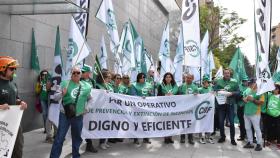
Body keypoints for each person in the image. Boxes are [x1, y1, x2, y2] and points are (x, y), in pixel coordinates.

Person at [50, 66, 92, 158]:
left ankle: (76, 156)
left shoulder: (86, 86)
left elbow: (90, 99)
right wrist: (62, 94)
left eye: (78, 73)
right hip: (65, 115)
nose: (76, 74)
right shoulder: (65, 83)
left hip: (78, 116)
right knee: (60, 138)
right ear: (71, 74)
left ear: (81, 74)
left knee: (77, 138)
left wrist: (87, 108)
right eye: (74, 73)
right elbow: (55, 97)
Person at [0, 56, 28, 158]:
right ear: (3, 69)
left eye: (14, 69)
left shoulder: (13, 84)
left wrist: (21, 102)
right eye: (11, 69)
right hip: (2, 126)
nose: (14, 71)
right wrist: (0, 107)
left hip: (15, 124)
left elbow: (16, 99)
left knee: (18, 149)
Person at [214, 68, 239, 145]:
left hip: (230, 104)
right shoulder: (219, 81)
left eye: (228, 73)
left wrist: (231, 93)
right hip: (221, 105)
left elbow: (239, 92)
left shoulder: (234, 82)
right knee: (221, 122)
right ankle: (222, 137)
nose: (227, 74)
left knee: (231, 123)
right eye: (225, 73)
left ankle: (232, 139)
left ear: (230, 74)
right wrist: (219, 90)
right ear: (223, 74)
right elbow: (214, 89)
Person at [131, 72, 153, 144]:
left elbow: (152, 95)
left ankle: (146, 138)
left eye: (144, 77)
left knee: (146, 122)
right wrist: (140, 98)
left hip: (146, 107)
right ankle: (136, 138)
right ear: (138, 78)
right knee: (136, 122)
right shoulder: (134, 85)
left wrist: (150, 93)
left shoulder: (149, 85)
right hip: (137, 107)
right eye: (141, 77)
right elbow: (133, 95)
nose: (142, 79)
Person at [80, 65, 98, 153]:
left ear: (88, 73)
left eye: (84, 72)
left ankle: (89, 144)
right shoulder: (78, 80)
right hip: (80, 106)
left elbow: (96, 92)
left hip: (90, 106)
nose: (82, 73)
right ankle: (77, 144)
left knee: (89, 125)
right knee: (79, 125)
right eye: (81, 72)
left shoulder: (92, 81)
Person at [242, 79, 264, 151]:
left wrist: (253, 100)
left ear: (256, 83)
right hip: (246, 112)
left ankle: (259, 144)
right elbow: (244, 97)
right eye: (250, 83)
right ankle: (250, 142)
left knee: (257, 129)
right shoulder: (248, 90)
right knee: (247, 128)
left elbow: (261, 102)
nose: (251, 84)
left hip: (255, 113)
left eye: (252, 83)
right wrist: (244, 99)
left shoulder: (260, 91)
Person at [157, 72, 178, 144]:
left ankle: (170, 137)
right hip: (164, 107)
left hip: (172, 107)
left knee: (171, 122)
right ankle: (166, 137)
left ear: (171, 78)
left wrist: (172, 94)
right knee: (165, 122)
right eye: (167, 77)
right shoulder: (161, 85)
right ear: (164, 78)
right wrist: (165, 95)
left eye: (169, 77)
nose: (168, 78)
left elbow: (178, 94)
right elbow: (158, 95)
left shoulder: (174, 85)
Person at [95, 70, 114, 150]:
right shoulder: (97, 85)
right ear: (103, 77)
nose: (109, 79)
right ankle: (101, 142)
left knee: (108, 126)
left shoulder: (109, 85)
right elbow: (96, 97)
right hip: (102, 109)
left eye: (110, 77)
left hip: (109, 108)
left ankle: (105, 141)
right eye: (108, 77)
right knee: (103, 126)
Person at [179, 73, 198, 145]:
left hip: (191, 108)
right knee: (183, 122)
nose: (188, 79)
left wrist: (196, 95)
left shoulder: (195, 87)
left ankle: (190, 138)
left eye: (190, 78)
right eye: (187, 78)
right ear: (185, 78)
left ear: (192, 79)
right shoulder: (181, 86)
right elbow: (178, 96)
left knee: (191, 123)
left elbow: (198, 98)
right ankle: (182, 137)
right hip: (183, 108)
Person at [35, 69, 53, 143]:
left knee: (49, 114)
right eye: (43, 75)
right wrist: (39, 85)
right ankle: (46, 128)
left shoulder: (49, 80)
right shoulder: (40, 82)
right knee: (44, 113)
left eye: (45, 74)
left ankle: (49, 128)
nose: (44, 76)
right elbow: (37, 91)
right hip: (42, 99)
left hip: (49, 99)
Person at [198, 75, 215, 144]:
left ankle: (208, 137)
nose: (206, 83)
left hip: (209, 109)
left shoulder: (211, 89)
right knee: (201, 123)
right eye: (205, 82)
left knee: (209, 122)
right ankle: (201, 137)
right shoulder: (199, 89)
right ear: (203, 82)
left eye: (208, 82)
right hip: (201, 109)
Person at [265, 82, 280, 148]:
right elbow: (265, 90)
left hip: (277, 115)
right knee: (269, 127)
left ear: (278, 89)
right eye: (273, 88)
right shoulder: (269, 94)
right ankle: (269, 140)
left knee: (278, 128)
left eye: (276, 88)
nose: (274, 89)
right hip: (269, 114)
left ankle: (278, 141)